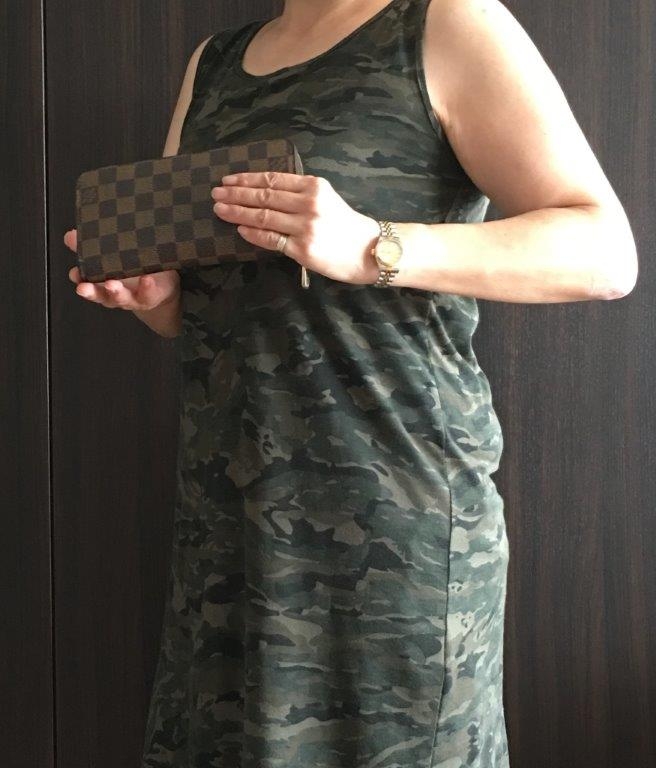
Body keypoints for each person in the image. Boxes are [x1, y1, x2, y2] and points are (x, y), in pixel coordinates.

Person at [64, 0, 637, 765]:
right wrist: (157, 298)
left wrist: (371, 244)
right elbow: (202, 308)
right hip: (230, 525)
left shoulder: (444, 24)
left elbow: (604, 253)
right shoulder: (213, 66)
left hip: (391, 526)